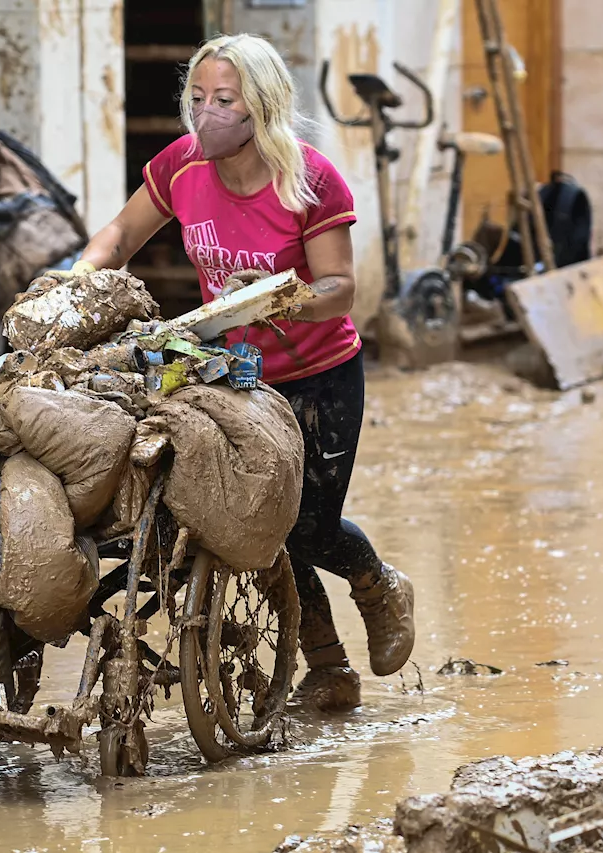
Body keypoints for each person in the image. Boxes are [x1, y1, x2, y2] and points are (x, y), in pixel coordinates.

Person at [62, 33, 415, 711]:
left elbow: (343, 289)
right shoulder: (182, 167)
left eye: (224, 100)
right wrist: (72, 281)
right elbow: (118, 238)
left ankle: (377, 583)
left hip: (319, 373)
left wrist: (284, 294)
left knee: (310, 523)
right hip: (239, 376)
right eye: (197, 98)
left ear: (260, 106)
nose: (206, 114)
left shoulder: (309, 180)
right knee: (259, 524)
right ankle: (328, 666)